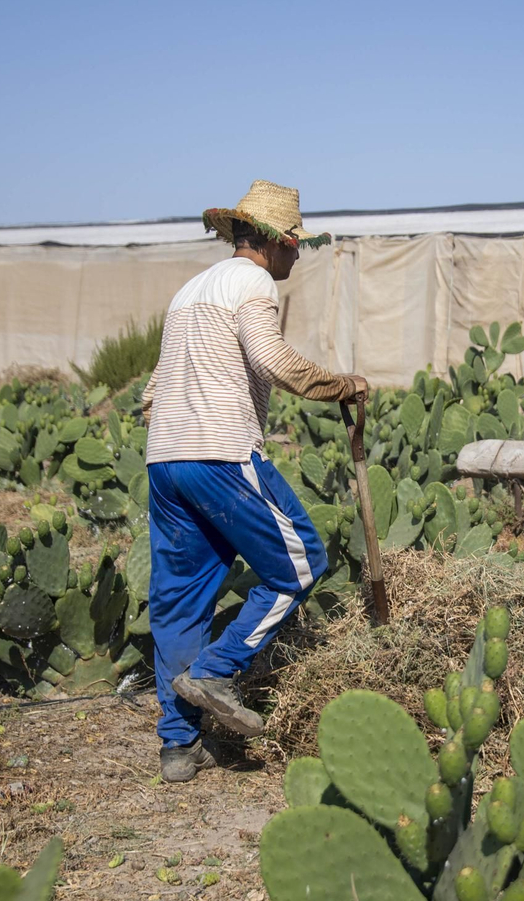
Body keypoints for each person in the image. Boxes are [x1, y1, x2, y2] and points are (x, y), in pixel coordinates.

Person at [142, 180, 366, 783]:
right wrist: (339, 385)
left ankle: (178, 748)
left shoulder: (191, 289)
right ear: (276, 241)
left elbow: (154, 387)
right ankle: (217, 670)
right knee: (299, 563)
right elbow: (271, 359)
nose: (300, 255)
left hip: (165, 460)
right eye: (298, 244)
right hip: (221, 454)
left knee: (178, 602)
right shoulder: (252, 283)